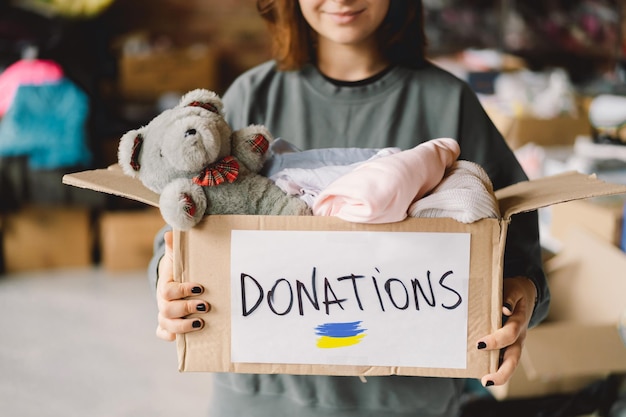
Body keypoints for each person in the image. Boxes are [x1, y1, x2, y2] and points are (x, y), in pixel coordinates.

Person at [149, 1, 549, 416]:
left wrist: (521, 297)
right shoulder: (250, 97)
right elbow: (180, 228)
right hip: (260, 400)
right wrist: (169, 278)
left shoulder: (450, 103)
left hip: (405, 403)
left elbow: (520, 255)